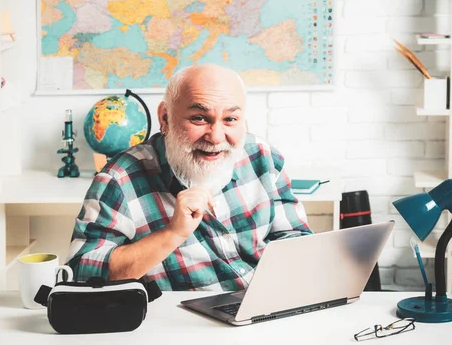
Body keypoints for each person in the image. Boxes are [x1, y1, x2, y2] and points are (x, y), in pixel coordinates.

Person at [66, 64, 312, 291]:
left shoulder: (262, 156)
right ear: (165, 118)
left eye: (230, 119)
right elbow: (81, 274)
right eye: (199, 118)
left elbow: (295, 239)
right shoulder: (118, 180)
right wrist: (173, 233)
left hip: (264, 306)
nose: (216, 137)